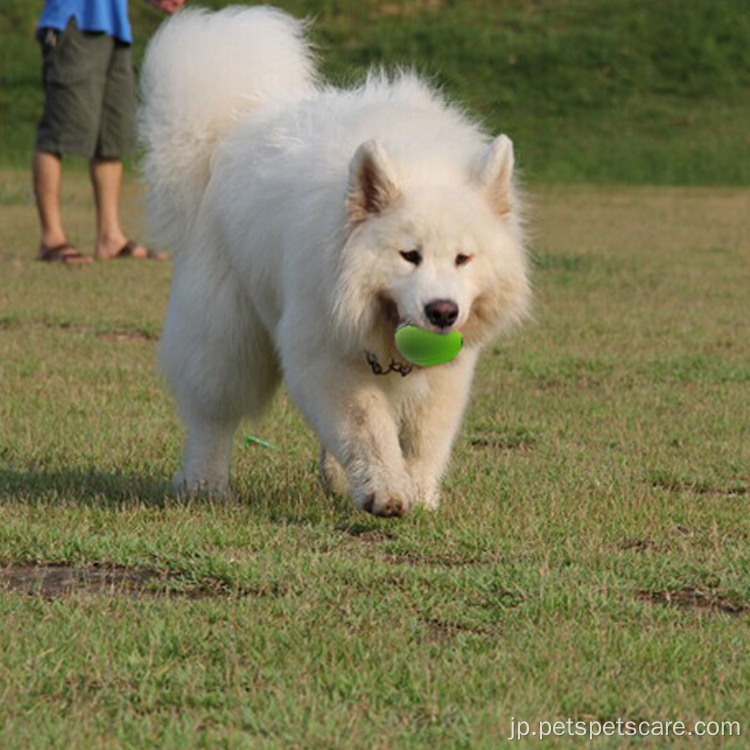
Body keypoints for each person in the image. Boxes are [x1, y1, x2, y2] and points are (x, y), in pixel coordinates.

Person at [33, 0, 186, 264]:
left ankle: (110, 237)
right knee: (57, 134)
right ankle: (51, 238)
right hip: (74, 20)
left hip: (114, 27)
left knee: (111, 138)